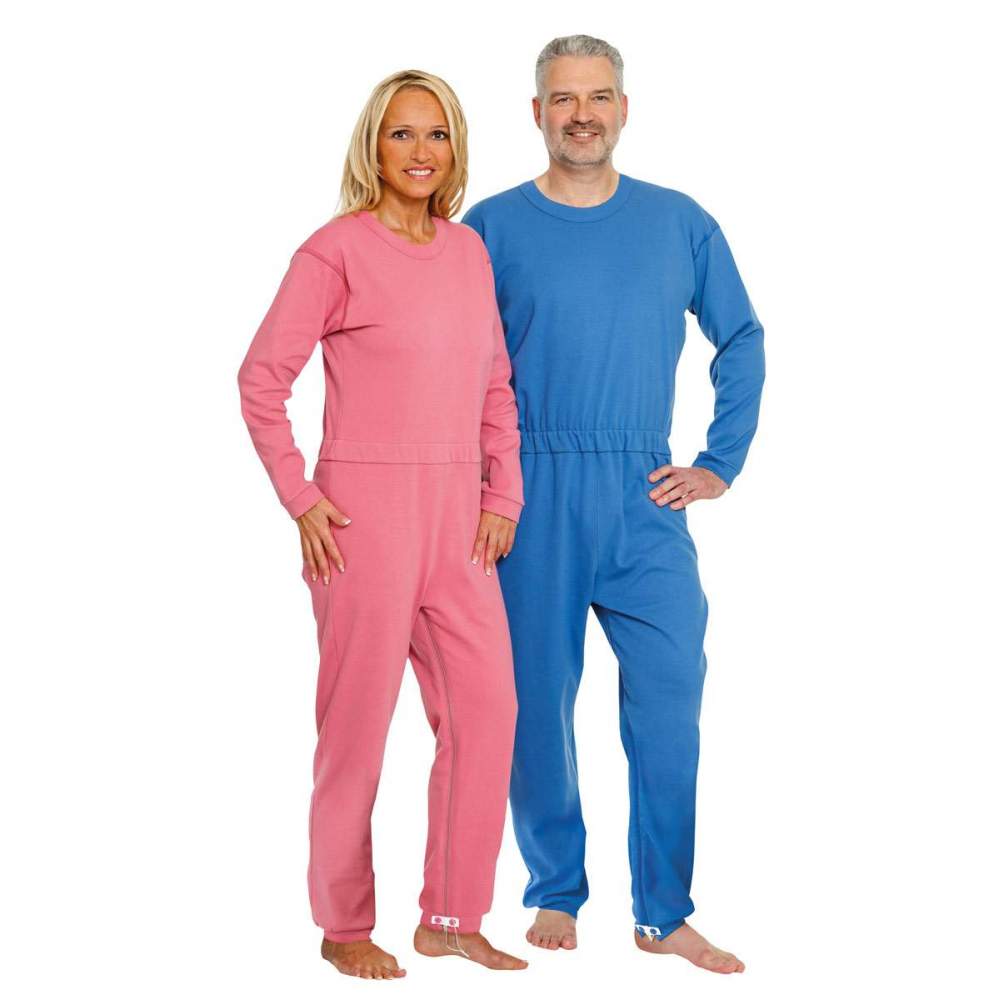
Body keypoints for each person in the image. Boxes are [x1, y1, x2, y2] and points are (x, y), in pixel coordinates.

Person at [462, 35, 765, 974]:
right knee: (533, 705)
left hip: (643, 493)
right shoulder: (490, 228)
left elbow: (742, 338)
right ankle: (555, 889)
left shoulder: (679, 222)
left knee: (670, 702)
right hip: (527, 493)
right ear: (537, 113)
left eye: (598, 97)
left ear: (624, 110)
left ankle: (663, 911)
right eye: (563, 98)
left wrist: (718, 463)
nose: (582, 114)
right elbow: (450, 361)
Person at [237, 69, 529, 979]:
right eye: (402, 133)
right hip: (361, 520)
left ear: (455, 148)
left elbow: (495, 386)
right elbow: (261, 380)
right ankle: (342, 924)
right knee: (356, 728)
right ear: (374, 144)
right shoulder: (334, 252)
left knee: (489, 710)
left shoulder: (468, 252)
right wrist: (301, 496)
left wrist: (503, 496)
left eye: (436, 134)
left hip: (461, 521)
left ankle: (451, 915)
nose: (420, 151)